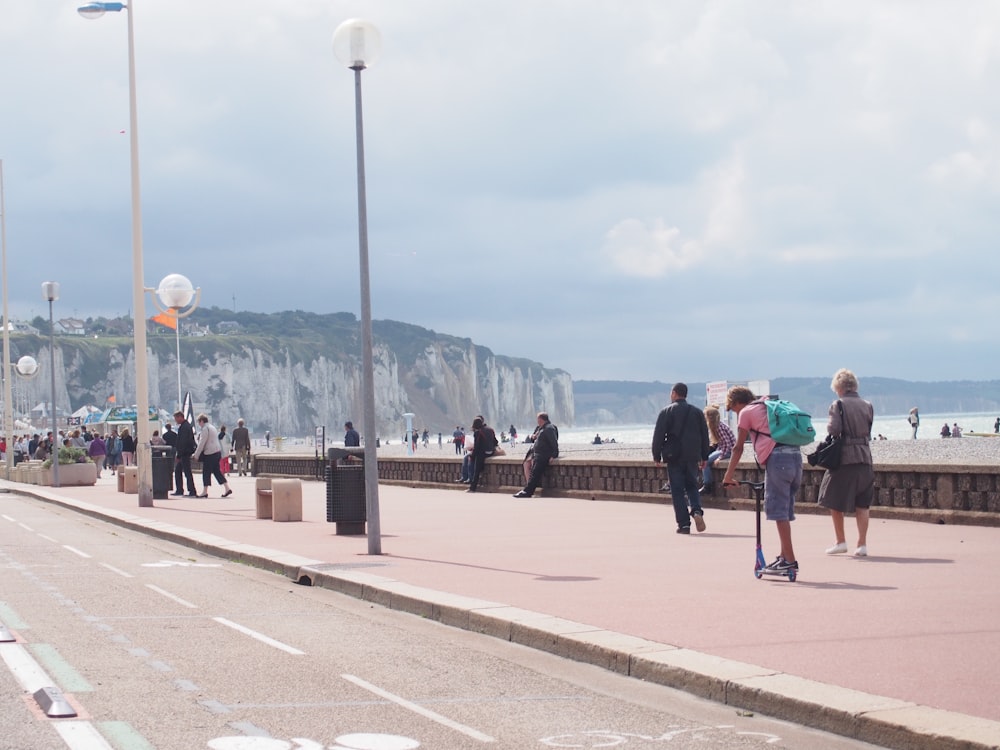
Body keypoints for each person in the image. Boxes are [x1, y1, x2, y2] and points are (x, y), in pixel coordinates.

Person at [722, 386, 800, 575]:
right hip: (796, 457)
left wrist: (728, 475)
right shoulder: (768, 405)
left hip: (778, 460)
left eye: (733, 409)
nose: (735, 413)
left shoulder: (747, 412)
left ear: (738, 402)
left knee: (777, 510)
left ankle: (790, 560)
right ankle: (783, 556)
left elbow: (738, 448)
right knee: (786, 509)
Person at [817, 369, 875, 557]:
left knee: (833, 498)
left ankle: (840, 541)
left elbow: (834, 430)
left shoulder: (838, 404)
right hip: (865, 457)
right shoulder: (867, 405)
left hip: (845, 458)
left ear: (839, 387)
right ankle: (862, 544)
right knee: (862, 503)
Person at [652, 383, 711, 534]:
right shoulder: (697, 412)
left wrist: (656, 456)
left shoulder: (666, 412)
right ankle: (697, 511)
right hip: (692, 455)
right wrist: (704, 456)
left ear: (674, 393)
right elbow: (704, 435)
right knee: (692, 486)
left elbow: (658, 435)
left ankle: (684, 524)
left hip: (674, 456)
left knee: (677, 490)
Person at [514, 412, 559, 498]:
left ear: (541, 419)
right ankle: (527, 490)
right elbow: (532, 439)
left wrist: (554, 455)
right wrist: (533, 437)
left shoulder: (549, 428)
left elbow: (554, 442)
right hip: (537, 453)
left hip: (543, 454)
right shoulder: (540, 428)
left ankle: (528, 491)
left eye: (538, 419)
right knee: (530, 469)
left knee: (535, 473)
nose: (537, 421)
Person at [192, 413, 232, 498]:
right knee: (217, 471)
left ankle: (205, 491)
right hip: (217, 452)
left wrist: (196, 455)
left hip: (210, 453)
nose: (199, 424)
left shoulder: (205, 429)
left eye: (199, 422)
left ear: (202, 421)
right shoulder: (212, 427)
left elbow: (202, 443)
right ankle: (227, 488)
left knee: (206, 472)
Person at [701, 405, 736, 497]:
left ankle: (707, 485)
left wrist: (720, 457)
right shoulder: (718, 426)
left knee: (706, 461)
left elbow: (727, 445)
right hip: (723, 449)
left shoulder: (719, 428)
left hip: (728, 451)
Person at [467, 416, 498, 493]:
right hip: (491, 452)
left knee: (476, 470)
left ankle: (472, 488)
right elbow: (495, 442)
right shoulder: (491, 430)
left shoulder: (478, 432)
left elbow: (477, 447)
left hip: (483, 453)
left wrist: (472, 456)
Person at [172, 411, 198, 497]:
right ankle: (181, 489)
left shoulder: (184, 427)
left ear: (180, 417)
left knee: (186, 472)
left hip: (184, 453)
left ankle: (191, 490)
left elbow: (183, 442)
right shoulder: (186, 426)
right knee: (180, 471)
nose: (176, 421)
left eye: (176, 418)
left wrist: (179, 454)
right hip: (185, 452)